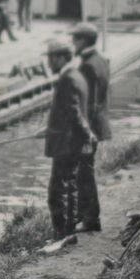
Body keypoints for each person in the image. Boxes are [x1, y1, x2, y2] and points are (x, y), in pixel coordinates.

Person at [42, 38, 95, 239]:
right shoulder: (77, 76)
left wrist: (86, 134)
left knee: (57, 191)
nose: (48, 64)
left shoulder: (67, 79)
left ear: (61, 58)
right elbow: (69, 112)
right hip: (70, 141)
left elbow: (74, 113)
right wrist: (50, 128)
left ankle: (61, 233)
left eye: (51, 59)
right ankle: (69, 231)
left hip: (66, 144)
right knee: (70, 186)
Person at [71, 22, 111, 233]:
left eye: (75, 39)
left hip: (89, 128)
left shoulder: (87, 65)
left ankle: (90, 219)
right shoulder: (101, 60)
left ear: (83, 41)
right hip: (97, 125)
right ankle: (83, 216)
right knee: (84, 170)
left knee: (84, 173)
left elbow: (89, 102)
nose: (72, 43)